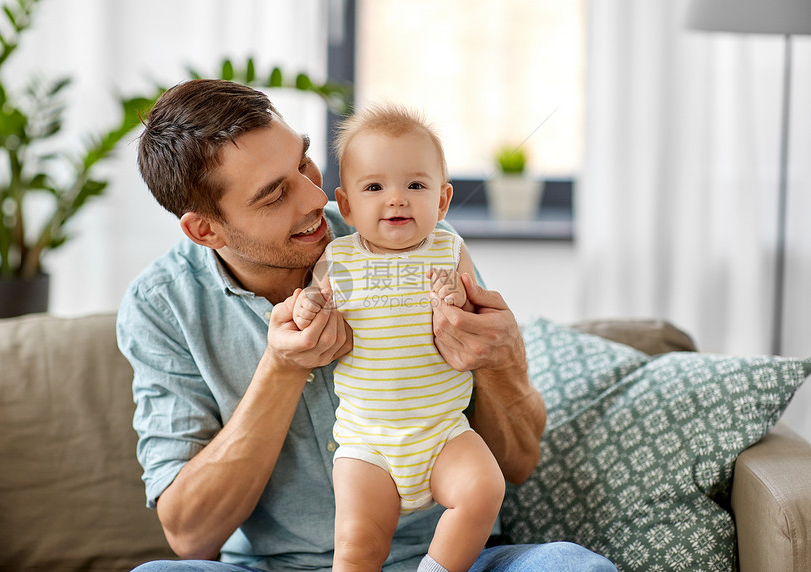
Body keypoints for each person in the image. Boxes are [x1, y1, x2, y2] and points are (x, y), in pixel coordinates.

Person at [117, 78, 617, 572]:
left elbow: (519, 466)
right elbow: (189, 535)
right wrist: (281, 369)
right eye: (274, 195)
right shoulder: (162, 305)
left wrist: (501, 363)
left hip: (453, 559)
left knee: (573, 567)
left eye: (303, 162)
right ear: (204, 229)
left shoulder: (415, 237)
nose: (316, 198)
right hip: (275, 566)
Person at [292, 104, 503, 572]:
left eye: (415, 185)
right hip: (367, 441)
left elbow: (475, 325)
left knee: (483, 490)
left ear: (443, 200)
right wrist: (308, 306)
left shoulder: (449, 249)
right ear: (345, 205)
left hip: (443, 430)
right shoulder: (338, 257)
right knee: (357, 542)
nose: (397, 199)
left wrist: (458, 301)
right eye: (374, 187)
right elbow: (313, 305)